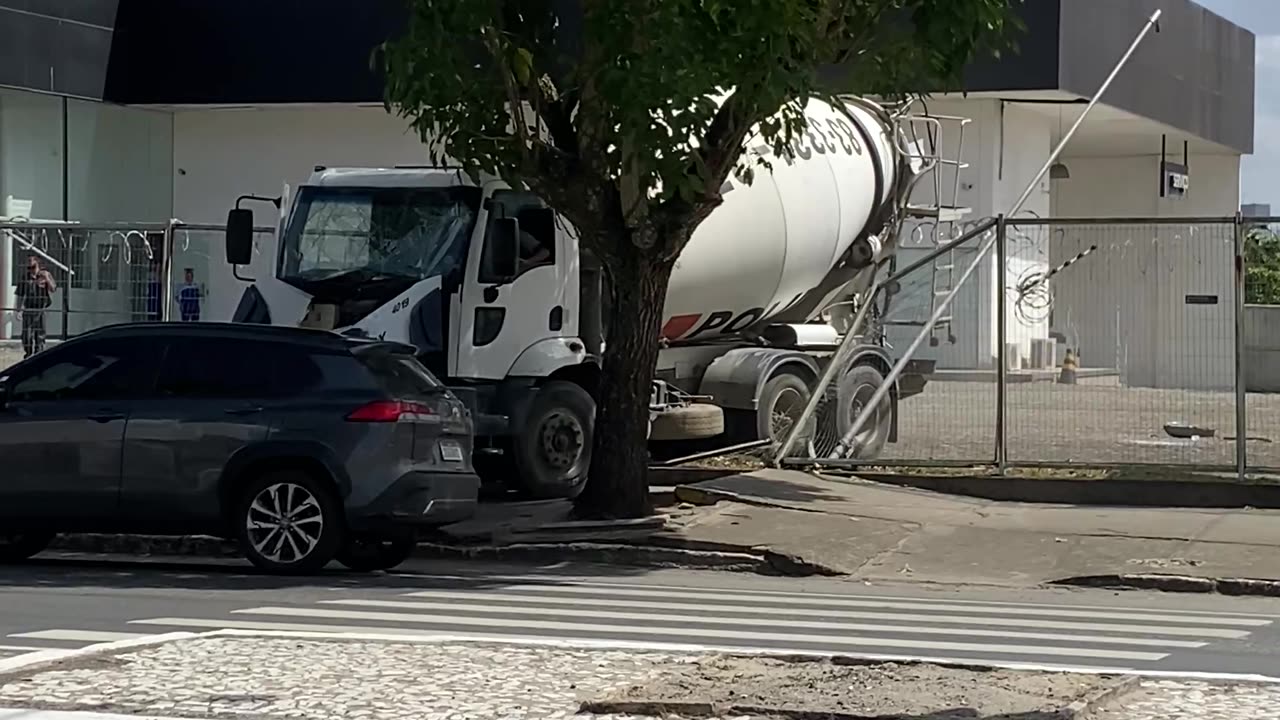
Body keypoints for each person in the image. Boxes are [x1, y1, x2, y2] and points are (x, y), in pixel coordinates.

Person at [14, 256, 55, 358]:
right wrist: (18, 310)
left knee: (40, 335)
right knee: (27, 335)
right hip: (29, 309)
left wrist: (47, 279)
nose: (31, 270)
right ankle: (28, 354)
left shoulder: (46, 275)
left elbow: (53, 289)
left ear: (38, 265)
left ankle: (38, 355)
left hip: (41, 309)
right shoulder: (25, 278)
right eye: (29, 268)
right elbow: (20, 294)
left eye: (33, 267)